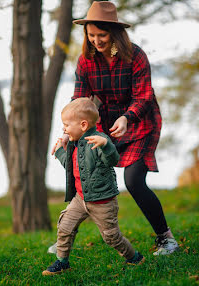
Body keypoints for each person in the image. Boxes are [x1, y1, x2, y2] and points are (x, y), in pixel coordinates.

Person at [48, 1, 178, 256]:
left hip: (140, 122)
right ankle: (65, 236)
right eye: (91, 35)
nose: (96, 40)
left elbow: (144, 96)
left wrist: (127, 117)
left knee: (133, 181)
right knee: (84, 170)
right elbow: (80, 100)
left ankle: (166, 238)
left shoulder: (136, 56)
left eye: (102, 35)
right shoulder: (86, 61)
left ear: (115, 33)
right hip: (106, 124)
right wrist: (67, 133)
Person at [42, 98, 145, 275]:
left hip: (103, 202)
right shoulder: (75, 143)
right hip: (81, 199)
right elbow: (71, 165)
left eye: (67, 125)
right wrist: (60, 150)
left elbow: (113, 160)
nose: (64, 129)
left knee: (111, 237)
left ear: (83, 125)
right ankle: (62, 262)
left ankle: (134, 258)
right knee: (65, 226)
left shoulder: (99, 140)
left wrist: (106, 146)